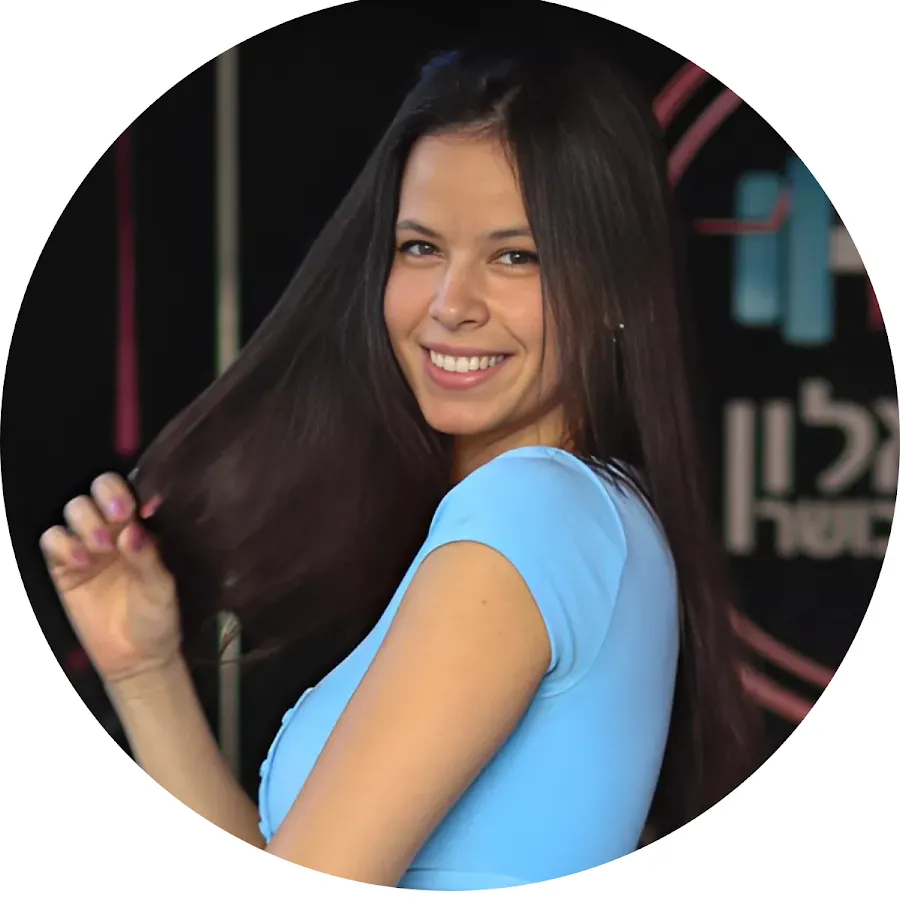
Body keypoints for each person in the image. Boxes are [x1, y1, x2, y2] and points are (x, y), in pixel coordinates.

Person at [39, 42, 760, 889]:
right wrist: (144, 670)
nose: (451, 305)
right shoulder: (591, 515)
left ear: (612, 290)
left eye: (516, 256)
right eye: (420, 248)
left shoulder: (532, 512)